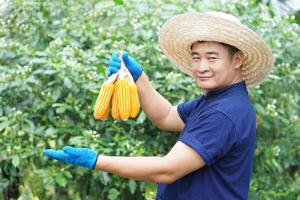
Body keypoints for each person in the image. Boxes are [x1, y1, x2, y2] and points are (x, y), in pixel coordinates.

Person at [44, 11, 273, 199]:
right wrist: (138, 77)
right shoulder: (218, 99)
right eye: (196, 57)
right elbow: (165, 116)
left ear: (237, 59)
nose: (201, 67)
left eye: (212, 58)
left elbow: (168, 170)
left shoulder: (225, 112)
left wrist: (95, 160)